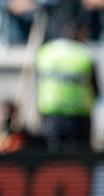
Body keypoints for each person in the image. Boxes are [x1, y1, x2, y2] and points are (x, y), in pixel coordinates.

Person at [36, 22, 99, 152]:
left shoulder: (46, 51)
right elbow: (95, 89)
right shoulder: (85, 54)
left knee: (51, 159)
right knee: (81, 161)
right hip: (79, 116)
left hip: (50, 114)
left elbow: (38, 83)